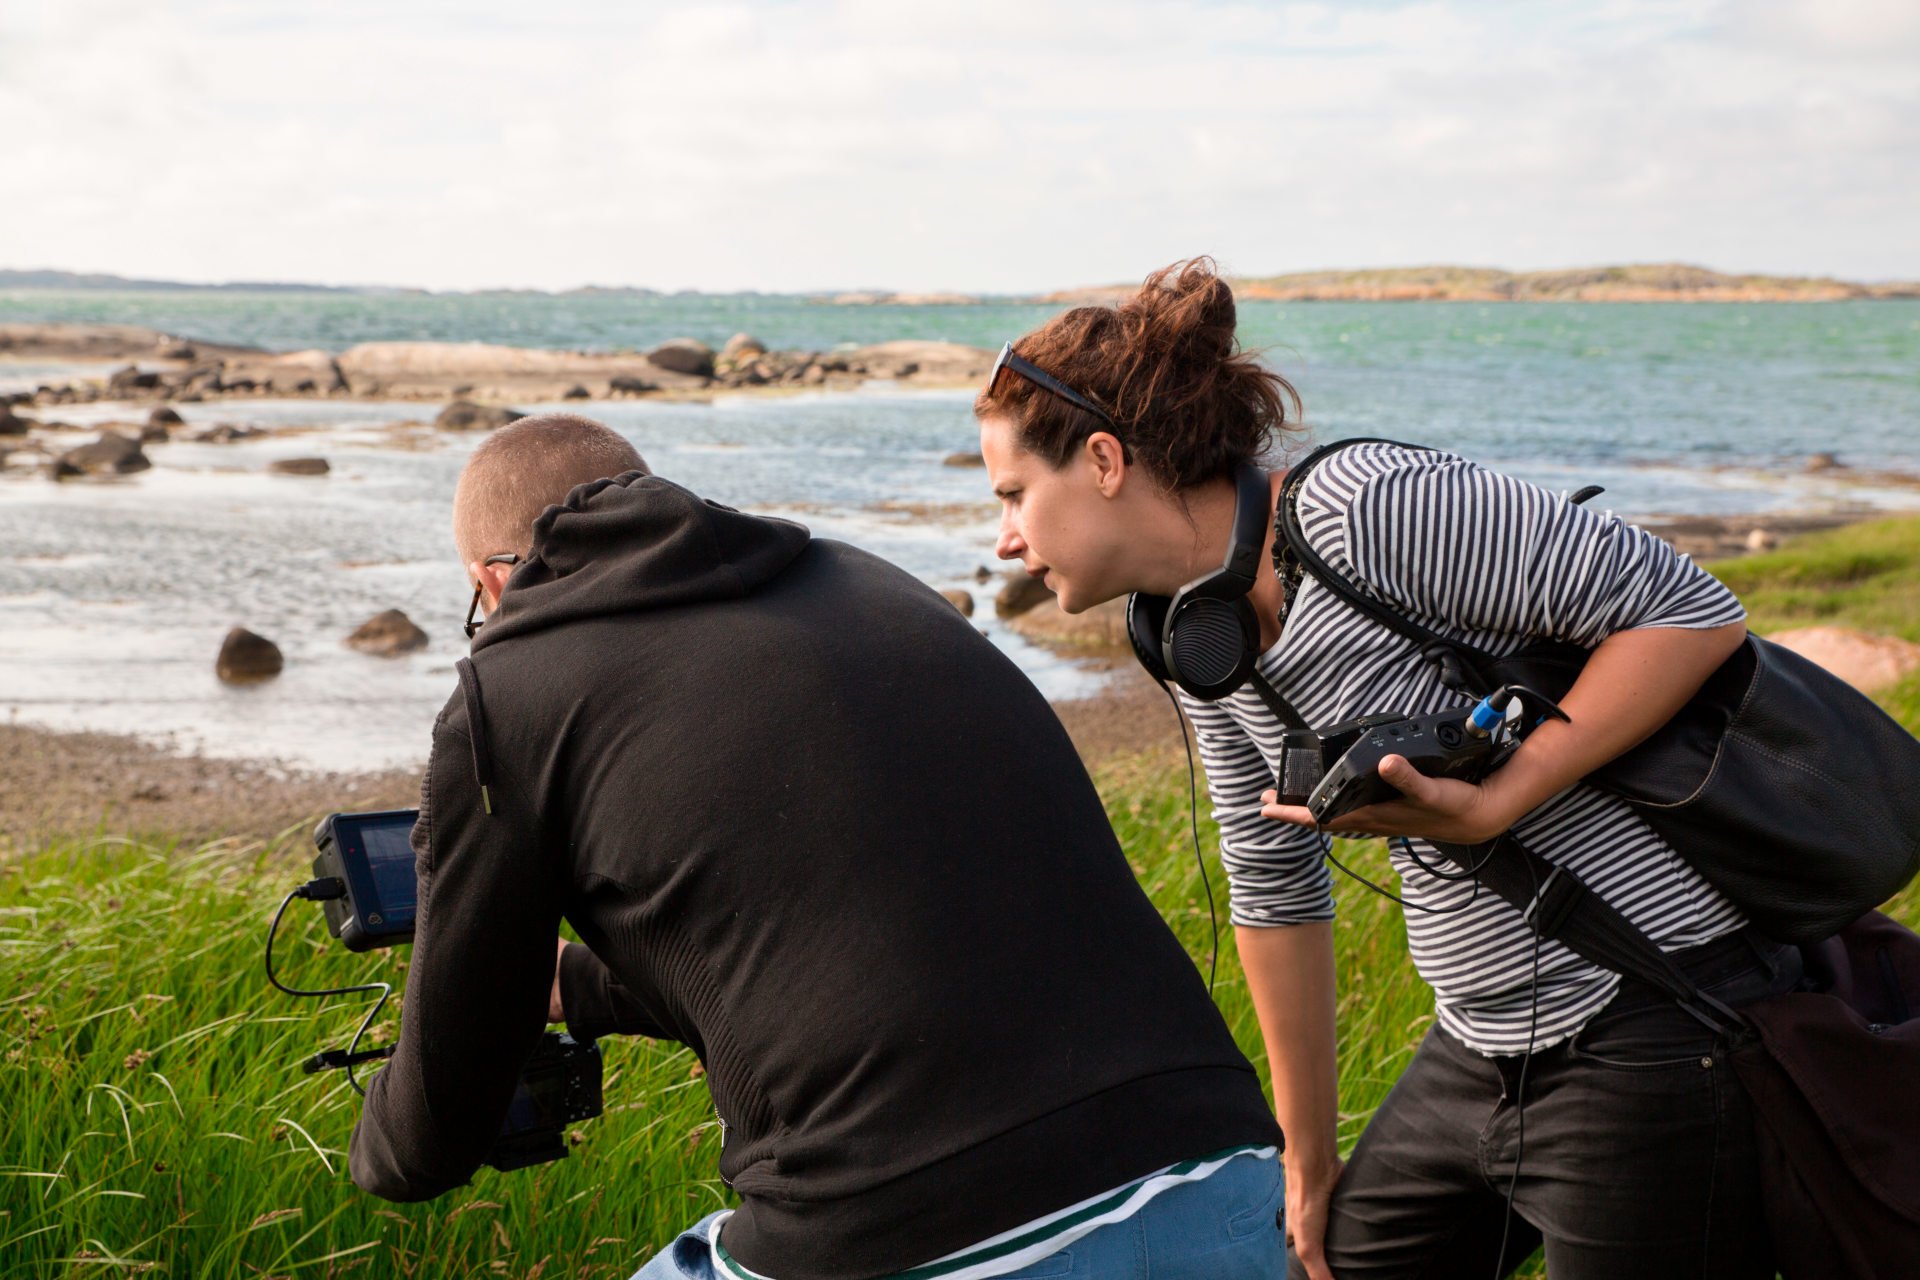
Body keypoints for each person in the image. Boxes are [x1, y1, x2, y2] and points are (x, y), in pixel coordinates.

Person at [972, 261, 1803, 1280]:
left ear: (1103, 459)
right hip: (1477, 1042)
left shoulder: (1369, 510)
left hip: (1650, 1014)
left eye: (1014, 493)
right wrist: (1306, 1162)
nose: (1006, 538)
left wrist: (1504, 791)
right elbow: (1274, 882)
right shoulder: (1204, 633)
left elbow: (1689, 609)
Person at [347, 412, 1289, 1280]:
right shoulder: (864, 579)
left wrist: (372, 1140)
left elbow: (433, 1134)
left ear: (492, 583)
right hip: (1225, 1171)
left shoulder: (505, 695)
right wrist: (583, 987)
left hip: (917, 1230)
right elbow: (853, 906)